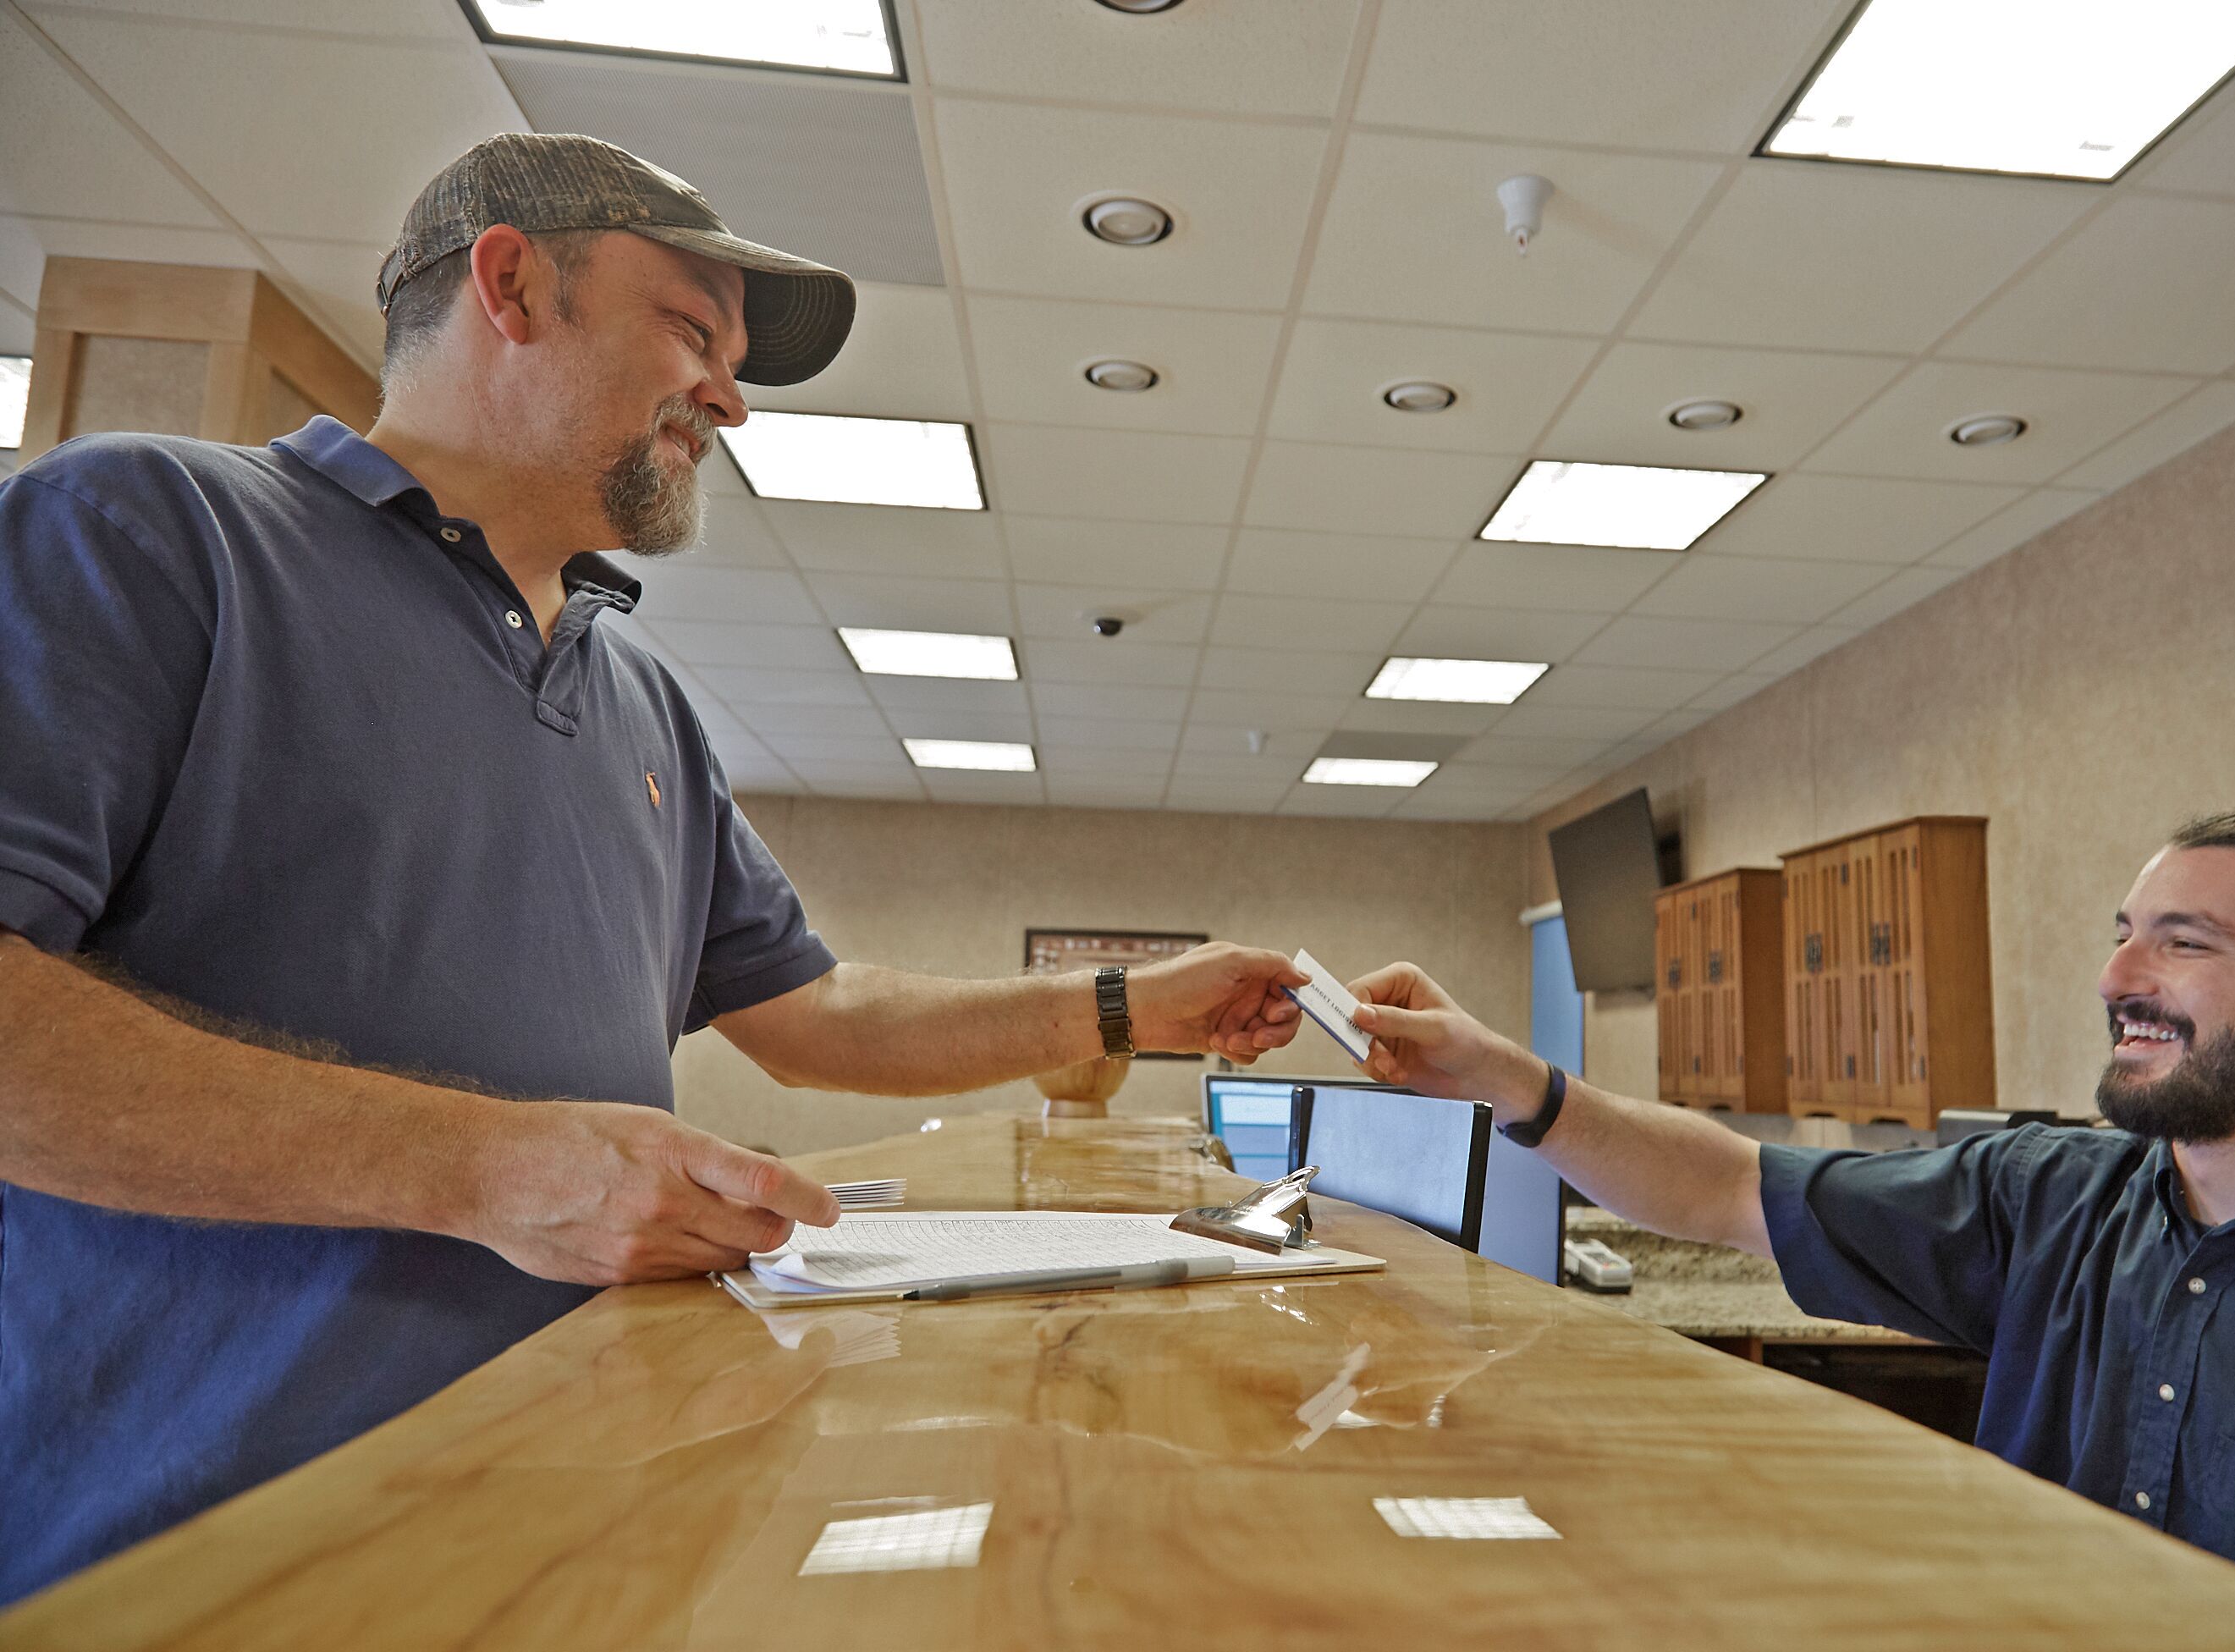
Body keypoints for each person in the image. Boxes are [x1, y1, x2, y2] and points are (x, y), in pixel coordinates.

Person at [0, 133, 1305, 1604]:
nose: (732, 398)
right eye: (692, 329)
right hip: (183, 1553)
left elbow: (815, 1019)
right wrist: (489, 1168)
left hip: (577, 1531)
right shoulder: (150, 531)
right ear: (510, 282)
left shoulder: (644, 704)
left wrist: (1138, 1007)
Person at [1346, 807, 2235, 1650]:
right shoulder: (2049, 1202)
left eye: (2185, 942)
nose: (2121, 971)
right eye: (2125, 930)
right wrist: (1505, 1076)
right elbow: (1724, 1187)